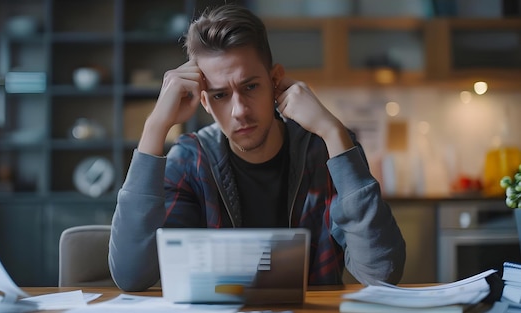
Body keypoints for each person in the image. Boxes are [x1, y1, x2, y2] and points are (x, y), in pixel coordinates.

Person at [108, 3, 406, 292]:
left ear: (275, 81)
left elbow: (381, 272)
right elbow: (131, 276)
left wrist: (333, 130)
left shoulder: (324, 151)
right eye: (221, 95)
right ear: (205, 103)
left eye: (250, 87)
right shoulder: (191, 159)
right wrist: (154, 128)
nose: (239, 110)